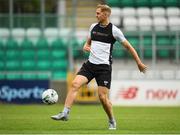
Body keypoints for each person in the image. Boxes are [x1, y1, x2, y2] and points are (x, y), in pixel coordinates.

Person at [51, 4, 147, 130]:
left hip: (104, 68)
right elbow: (88, 42)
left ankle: (112, 120)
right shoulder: (93, 27)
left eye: (98, 13)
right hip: (90, 65)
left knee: (102, 98)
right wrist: (85, 46)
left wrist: (139, 63)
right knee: (75, 84)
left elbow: (129, 47)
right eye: (96, 13)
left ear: (105, 14)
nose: (96, 15)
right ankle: (65, 113)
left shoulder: (114, 30)